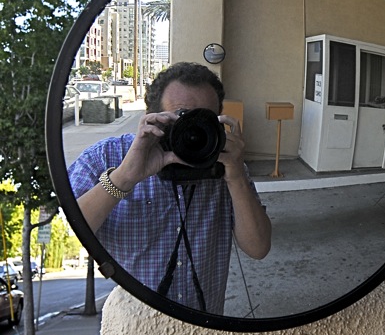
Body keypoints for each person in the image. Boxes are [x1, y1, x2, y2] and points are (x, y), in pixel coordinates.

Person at [69, 62, 271, 314]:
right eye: (181, 120)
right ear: (153, 119)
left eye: (202, 121)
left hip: (205, 331)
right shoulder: (106, 158)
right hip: (133, 331)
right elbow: (72, 229)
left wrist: (236, 176)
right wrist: (124, 178)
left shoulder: (226, 165)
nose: (192, 134)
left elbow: (258, 248)